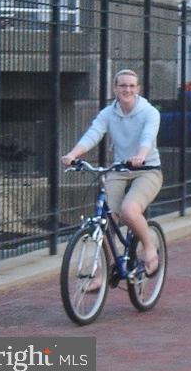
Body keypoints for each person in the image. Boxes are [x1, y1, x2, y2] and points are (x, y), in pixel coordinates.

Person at [61, 69, 162, 276]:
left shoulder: (149, 112)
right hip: (119, 169)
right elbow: (93, 134)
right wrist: (72, 155)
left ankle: (150, 248)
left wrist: (141, 155)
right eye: (123, 85)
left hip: (147, 170)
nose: (127, 90)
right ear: (115, 88)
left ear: (138, 89)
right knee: (105, 220)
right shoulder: (108, 113)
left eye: (132, 86)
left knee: (129, 210)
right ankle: (103, 274)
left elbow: (148, 137)